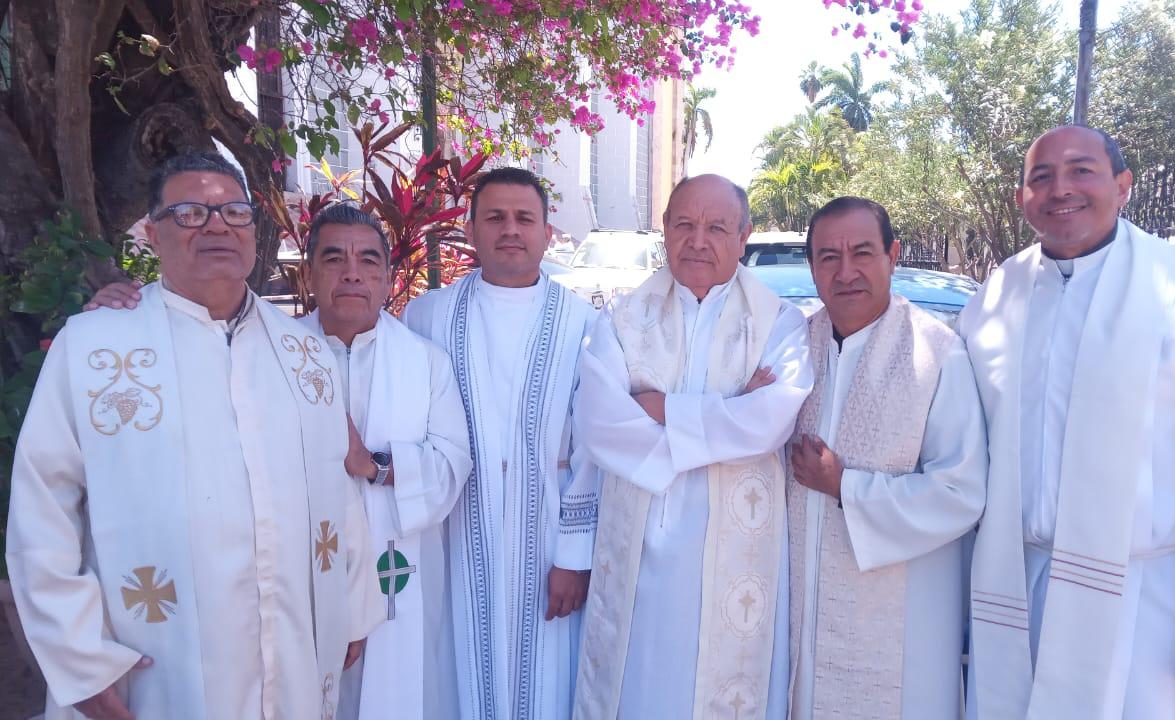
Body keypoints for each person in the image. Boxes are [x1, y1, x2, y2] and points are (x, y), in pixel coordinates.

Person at [7, 152, 381, 720]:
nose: (215, 227)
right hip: (154, 658)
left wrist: (353, 607)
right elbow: (42, 509)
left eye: (234, 212)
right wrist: (78, 662)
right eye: (189, 213)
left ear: (254, 234)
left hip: (296, 641)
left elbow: (339, 490)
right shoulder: (93, 349)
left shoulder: (305, 354)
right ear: (152, 233)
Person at [961, 125, 1175, 719]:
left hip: (1147, 603)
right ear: (1021, 197)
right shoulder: (997, 294)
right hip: (1017, 589)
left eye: (1082, 170)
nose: (1062, 189)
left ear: (1123, 185)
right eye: (1042, 176)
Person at [572, 174, 814, 720]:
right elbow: (600, 421)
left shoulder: (780, 322)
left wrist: (660, 408)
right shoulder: (622, 320)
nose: (698, 240)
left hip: (741, 553)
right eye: (684, 224)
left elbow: (774, 419)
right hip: (642, 551)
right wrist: (733, 406)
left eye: (716, 227)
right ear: (664, 230)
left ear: (744, 234)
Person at [401, 167, 599, 720]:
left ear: (546, 230)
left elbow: (592, 449)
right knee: (456, 675)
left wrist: (576, 556)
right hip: (456, 541)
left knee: (550, 686)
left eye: (523, 218)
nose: (510, 230)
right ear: (470, 229)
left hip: (550, 544)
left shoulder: (584, 324)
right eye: (495, 217)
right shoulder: (427, 317)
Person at [786, 197, 987, 719]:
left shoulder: (939, 353)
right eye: (828, 256)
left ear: (893, 254)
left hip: (900, 623)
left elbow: (960, 492)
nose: (846, 271)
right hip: (801, 615)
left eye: (862, 252)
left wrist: (846, 487)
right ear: (811, 266)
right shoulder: (792, 349)